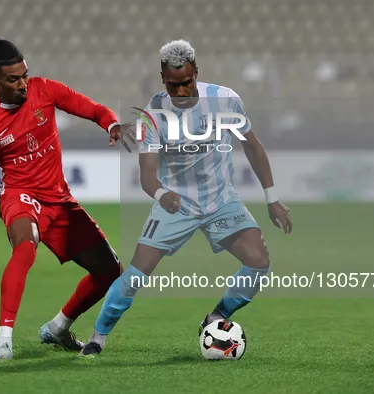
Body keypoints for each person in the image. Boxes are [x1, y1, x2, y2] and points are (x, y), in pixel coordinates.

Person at [79, 40, 292, 357]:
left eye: (187, 83)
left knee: (259, 261)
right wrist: (163, 195)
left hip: (221, 200)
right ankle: (98, 338)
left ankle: (217, 318)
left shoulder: (224, 100)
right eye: (173, 85)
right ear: (162, 78)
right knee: (136, 275)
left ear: (197, 73)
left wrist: (272, 197)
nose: (180, 92)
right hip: (175, 202)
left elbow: (252, 146)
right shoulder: (153, 116)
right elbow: (148, 176)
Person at [0, 33, 134, 360]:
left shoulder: (45, 90)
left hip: (60, 200)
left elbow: (93, 109)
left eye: (25, 75)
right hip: (19, 195)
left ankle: (58, 327)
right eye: (13, 79)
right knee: (26, 246)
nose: (23, 84)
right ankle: (4, 340)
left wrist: (111, 124)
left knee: (110, 272)